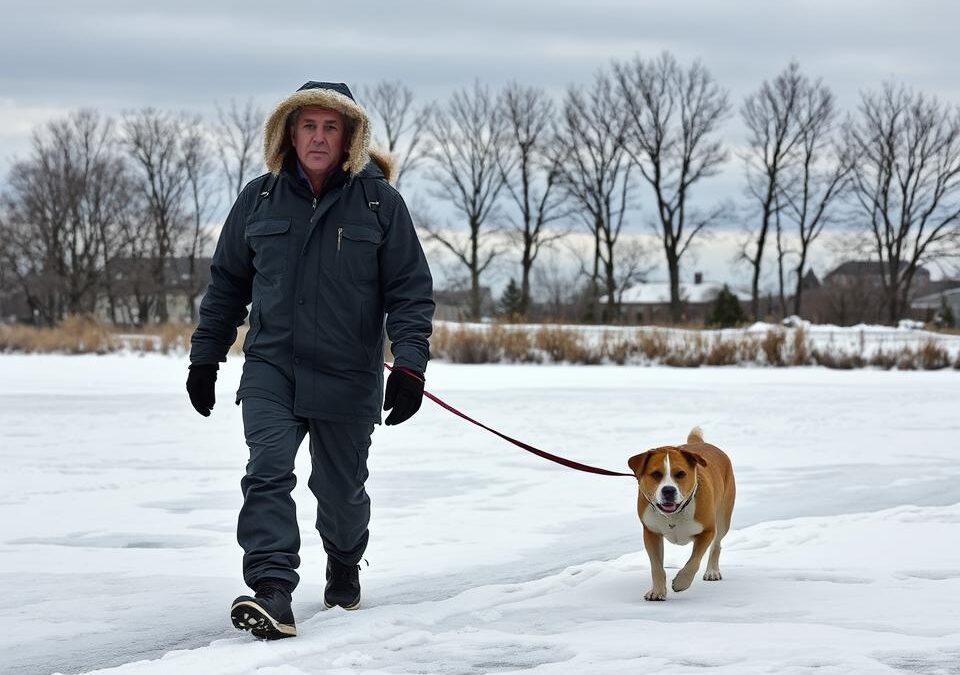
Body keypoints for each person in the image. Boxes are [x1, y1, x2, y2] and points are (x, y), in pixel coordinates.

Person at [187, 81, 435, 640]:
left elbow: (410, 292)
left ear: (349, 137)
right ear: (289, 133)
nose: (318, 137)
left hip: (349, 375)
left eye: (330, 127)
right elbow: (227, 283)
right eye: (308, 126)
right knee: (267, 470)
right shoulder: (258, 199)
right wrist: (205, 358)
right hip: (273, 367)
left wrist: (411, 367)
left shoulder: (380, 204)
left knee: (340, 491)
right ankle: (273, 588)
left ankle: (345, 561)